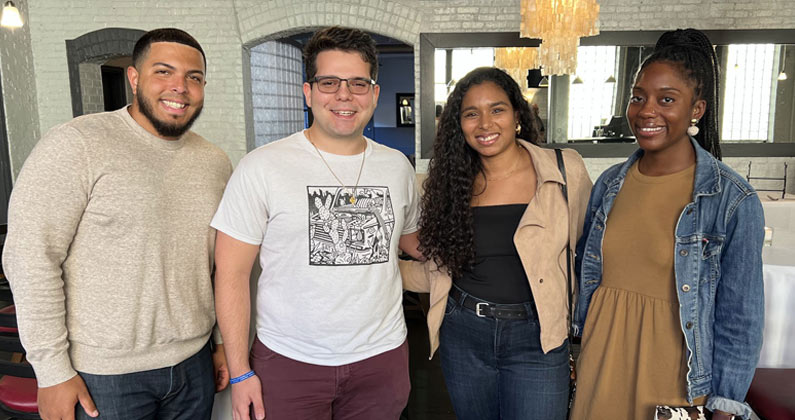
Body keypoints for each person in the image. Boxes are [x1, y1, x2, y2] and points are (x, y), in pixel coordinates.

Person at [3, 28, 232, 420]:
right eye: (164, 72)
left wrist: (222, 342)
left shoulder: (214, 162)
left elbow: (216, 266)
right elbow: (31, 259)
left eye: (194, 77)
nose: (180, 87)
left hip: (194, 365)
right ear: (134, 77)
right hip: (102, 374)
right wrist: (52, 371)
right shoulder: (77, 144)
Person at [211, 26, 422, 420]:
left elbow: (412, 240)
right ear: (308, 92)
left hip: (381, 359)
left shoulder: (397, 167)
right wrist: (241, 373)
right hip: (290, 362)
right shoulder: (263, 166)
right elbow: (231, 273)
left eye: (359, 83)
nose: (344, 95)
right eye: (329, 82)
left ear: (374, 94)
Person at [571, 28, 764, 420]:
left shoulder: (733, 199)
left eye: (667, 99)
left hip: (676, 376)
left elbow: (740, 317)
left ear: (696, 109)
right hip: (602, 364)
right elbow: (586, 277)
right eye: (638, 97)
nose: (647, 111)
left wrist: (725, 405)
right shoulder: (609, 184)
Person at [399, 67, 592, 420]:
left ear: (517, 114)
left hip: (539, 335)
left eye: (497, 109)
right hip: (464, 330)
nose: (485, 123)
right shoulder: (446, 183)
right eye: (471, 114)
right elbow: (437, 261)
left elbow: (588, 255)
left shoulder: (565, 170)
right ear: (459, 124)